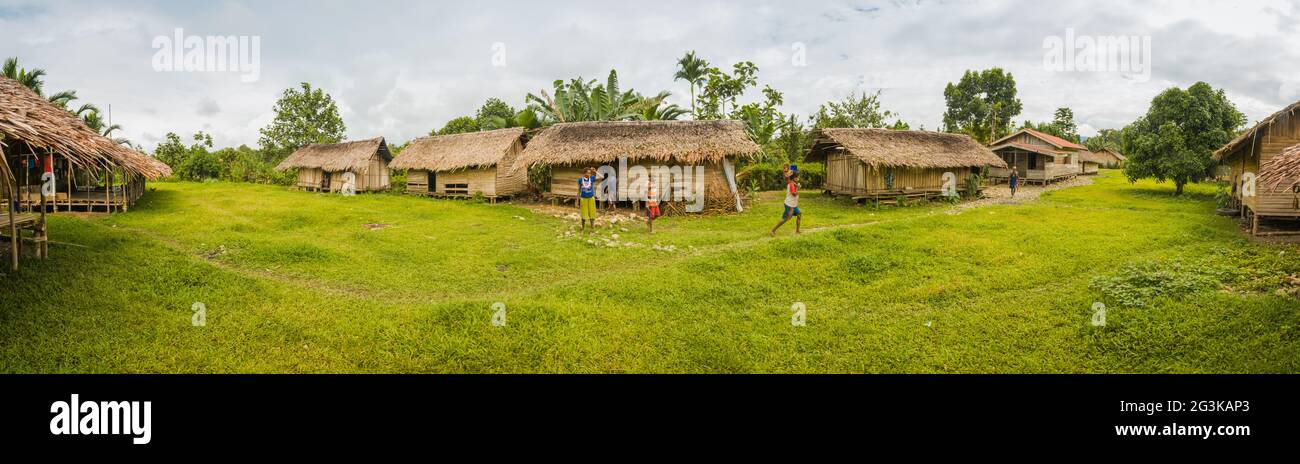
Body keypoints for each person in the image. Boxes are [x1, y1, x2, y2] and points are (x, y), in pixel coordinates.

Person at [771, 172, 802, 236]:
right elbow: (794, 194)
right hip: (789, 204)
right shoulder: (791, 184)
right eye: (798, 177)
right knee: (786, 219)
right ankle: (773, 230)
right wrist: (798, 188)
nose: (799, 178)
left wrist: (797, 186)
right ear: (794, 178)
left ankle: (797, 231)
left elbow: (795, 188)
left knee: (799, 214)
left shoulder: (794, 183)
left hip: (793, 204)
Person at [578, 167, 597, 232]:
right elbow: (578, 190)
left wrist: (595, 171)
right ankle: (583, 228)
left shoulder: (592, 178)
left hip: (591, 198)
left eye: (590, 173)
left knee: (592, 213)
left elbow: (602, 177)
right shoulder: (580, 180)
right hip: (583, 198)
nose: (589, 174)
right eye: (587, 173)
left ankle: (592, 228)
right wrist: (577, 200)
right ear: (584, 173)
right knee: (583, 214)